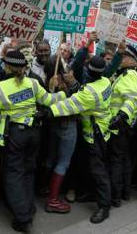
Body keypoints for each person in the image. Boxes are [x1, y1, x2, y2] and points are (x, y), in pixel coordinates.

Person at [0, 50, 71, 232]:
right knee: (28, 171)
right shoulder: (33, 83)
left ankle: (23, 218)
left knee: (13, 175)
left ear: (7, 66)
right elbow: (49, 100)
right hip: (34, 134)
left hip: (14, 135)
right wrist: (66, 93)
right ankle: (28, 207)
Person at [48, 56, 113, 223]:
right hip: (100, 130)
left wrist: (48, 111)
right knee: (92, 168)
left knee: (98, 171)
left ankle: (104, 207)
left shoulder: (90, 92)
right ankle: (92, 194)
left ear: (89, 71)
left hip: (95, 134)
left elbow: (69, 104)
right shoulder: (105, 81)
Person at [43, 55, 79, 214]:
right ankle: (53, 199)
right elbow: (77, 96)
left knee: (51, 158)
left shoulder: (46, 81)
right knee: (63, 163)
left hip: (53, 125)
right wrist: (72, 83)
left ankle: (45, 187)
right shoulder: (60, 84)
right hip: (66, 125)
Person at [108, 45, 137, 207]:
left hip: (120, 125)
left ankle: (115, 197)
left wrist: (121, 115)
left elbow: (131, 99)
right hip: (124, 125)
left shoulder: (129, 75)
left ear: (131, 60)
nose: (121, 58)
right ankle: (125, 192)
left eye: (124, 56)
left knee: (116, 161)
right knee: (124, 159)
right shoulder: (127, 74)